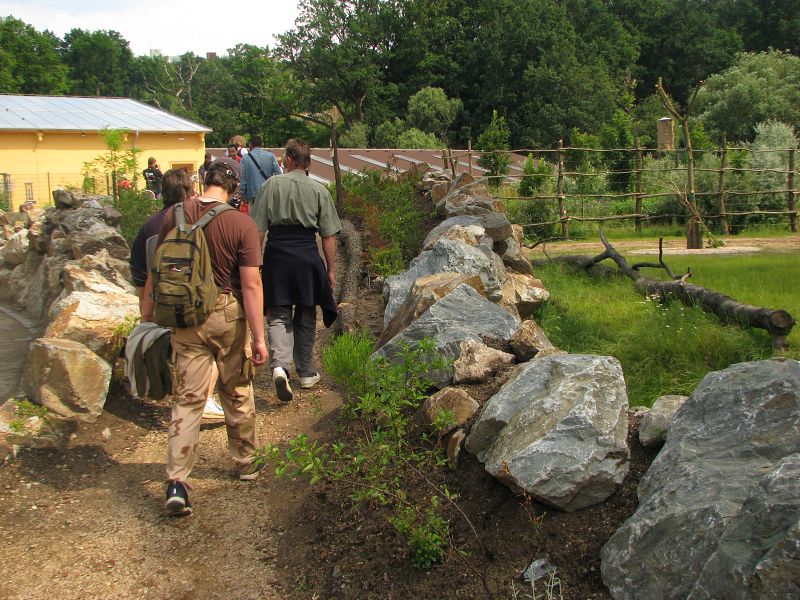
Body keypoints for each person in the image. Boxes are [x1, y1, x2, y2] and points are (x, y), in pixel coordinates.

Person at [140, 157, 268, 516]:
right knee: (237, 388)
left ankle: (177, 481)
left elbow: (156, 269)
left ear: (203, 180)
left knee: (188, 398)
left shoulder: (173, 215)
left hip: (184, 319)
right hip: (226, 315)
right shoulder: (241, 223)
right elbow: (251, 284)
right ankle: (245, 463)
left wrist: (147, 315)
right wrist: (258, 339)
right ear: (234, 187)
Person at [129, 169, 225, 420]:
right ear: (190, 191)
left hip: (158, 297)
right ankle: (202, 398)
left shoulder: (148, 225)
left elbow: (140, 270)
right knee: (204, 348)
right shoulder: (193, 220)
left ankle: (175, 391)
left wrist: (145, 308)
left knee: (171, 348)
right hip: (188, 298)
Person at [251, 138, 340, 402]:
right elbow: (328, 236)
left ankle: (280, 366)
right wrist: (330, 270)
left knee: (277, 313)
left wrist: (255, 265)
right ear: (308, 162)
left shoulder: (270, 186)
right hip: (306, 256)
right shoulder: (319, 190)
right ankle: (307, 372)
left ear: (288, 160)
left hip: (277, 254)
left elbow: (257, 230)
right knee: (306, 312)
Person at [240, 135, 281, 210]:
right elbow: (279, 175)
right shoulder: (271, 156)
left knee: (254, 220)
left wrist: (243, 196)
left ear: (250, 144)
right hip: (268, 193)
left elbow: (243, 179)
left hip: (253, 195)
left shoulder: (245, 158)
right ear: (261, 144)